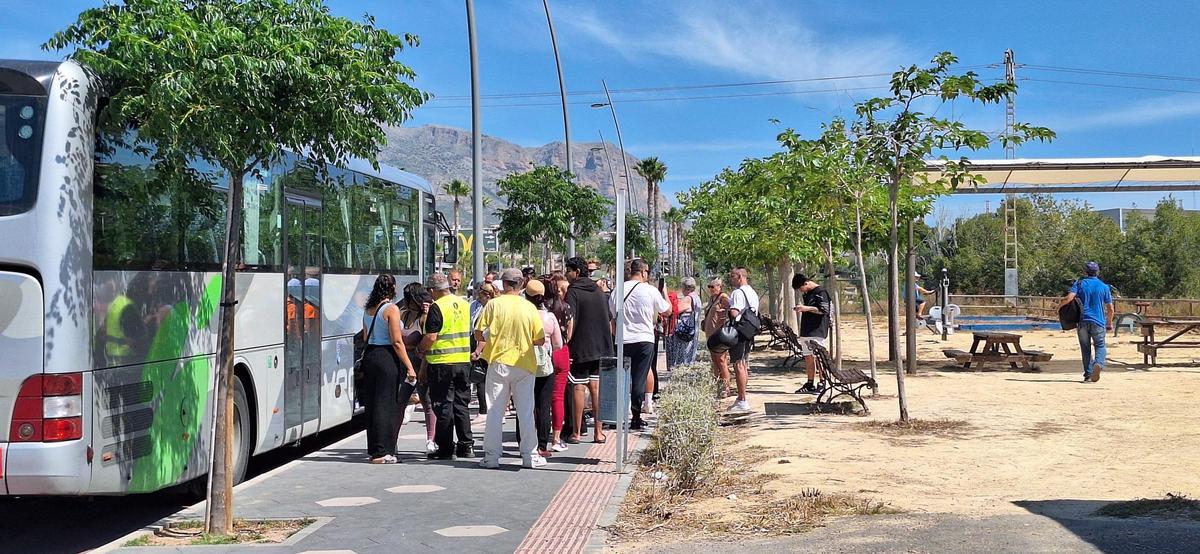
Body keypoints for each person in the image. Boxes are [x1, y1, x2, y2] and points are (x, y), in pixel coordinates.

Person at [473, 268, 547, 468]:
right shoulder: (529, 307)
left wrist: (489, 339)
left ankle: (491, 457)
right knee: (525, 411)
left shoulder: (493, 305)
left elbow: (478, 333)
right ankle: (529, 456)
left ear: (504, 285)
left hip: (498, 362)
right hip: (524, 364)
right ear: (522, 284)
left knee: (495, 411)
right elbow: (539, 339)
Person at [360, 275, 418, 464]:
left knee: (373, 403)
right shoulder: (391, 309)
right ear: (392, 288)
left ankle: (375, 449)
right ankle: (384, 452)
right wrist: (410, 367)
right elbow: (397, 341)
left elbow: (365, 337)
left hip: (370, 356)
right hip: (386, 358)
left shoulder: (368, 309)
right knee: (386, 404)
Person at [419, 274, 474, 459]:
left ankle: (445, 448)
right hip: (463, 362)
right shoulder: (465, 305)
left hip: (442, 363)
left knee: (443, 405)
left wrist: (420, 349)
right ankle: (466, 446)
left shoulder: (437, 307)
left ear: (433, 290)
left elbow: (431, 337)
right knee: (461, 404)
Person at [612, 259, 672, 430]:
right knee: (639, 378)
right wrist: (664, 293)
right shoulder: (650, 291)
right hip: (644, 339)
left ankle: (622, 413)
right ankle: (636, 415)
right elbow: (667, 311)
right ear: (644, 272)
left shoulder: (618, 289)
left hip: (623, 340)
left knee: (623, 378)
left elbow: (612, 313)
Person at [564, 256, 613, 444]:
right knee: (596, 387)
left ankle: (576, 433)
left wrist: (566, 342)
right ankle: (598, 432)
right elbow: (609, 320)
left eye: (568, 270)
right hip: (602, 347)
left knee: (578, 386)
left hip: (581, 347)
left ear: (576, 272)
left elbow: (571, 320)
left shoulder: (573, 292)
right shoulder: (599, 291)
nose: (567, 274)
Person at [526, 279, 564, 458]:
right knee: (543, 405)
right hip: (544, 364)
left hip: (523, 363)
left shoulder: (524, 315)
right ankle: (542, 445)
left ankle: (523, 443)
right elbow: (559, 344)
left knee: (524, 404)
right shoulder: (549, 317)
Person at [398, 282, 437, 455]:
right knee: (400, 402)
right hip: (405, 363)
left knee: (427, 401)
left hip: (422, 362)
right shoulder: (403, 314)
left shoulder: (425, 317)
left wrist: (422, 369)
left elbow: (430, 341)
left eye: (408, 297)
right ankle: (393, 440)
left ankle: (431, 440)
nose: (405, 300)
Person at [1060, 262, 1114, 383]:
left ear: (1085, 272)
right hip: (1099, 322)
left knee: (1085, 348)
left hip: (1082, 321)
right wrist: (1109, 323)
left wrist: (1059, 308)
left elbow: (1069, 298)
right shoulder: (1104, 287)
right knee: (1100, 345)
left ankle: (1088, 375)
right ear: (1098, 272)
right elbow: (1110, 308)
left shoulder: (1079, 284)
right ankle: (1098, 364)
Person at [791, 274, 832, 394]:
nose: (800, 291)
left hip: (817, 330)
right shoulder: (807, 294)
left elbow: (824, 310)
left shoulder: (821, 292)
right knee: (808, 357)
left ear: (805, 283)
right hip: (806, 331)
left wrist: (806, 308)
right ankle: (810, 383)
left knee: (819, 357)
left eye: (800, 288)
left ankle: (822, 381)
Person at [727, 267, 759, 412]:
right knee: (744, 364)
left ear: (740, 276)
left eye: (732, 276)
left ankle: (742, 399)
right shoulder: (752, 292)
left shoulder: (737, 293)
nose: (731, 279)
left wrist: (727, 308)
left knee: (738, 364)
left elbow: (735, 313)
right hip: (749, 331)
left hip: (739, 331)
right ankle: (741, 397)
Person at [468, 283, 497, 422]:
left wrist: (478, 350)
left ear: (486, 294)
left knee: (481, 378)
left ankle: (484, 411)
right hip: (477, 343)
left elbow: (486, 332)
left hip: (486, 346)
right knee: (481, 378)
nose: (477, 295)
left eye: (479, 293)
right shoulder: (477, 306)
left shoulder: (492, 307)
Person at [702, 277, 732, 397]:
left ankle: (726, 387)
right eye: (709, 286)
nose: (710, 289)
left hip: (719, 334)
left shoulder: (723, 297)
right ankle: (718, 385)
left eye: (713, 287)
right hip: (710, 334)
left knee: (721, 361)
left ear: (720, 286)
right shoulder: (712, 298)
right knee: (715, 361)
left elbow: (731, 310)